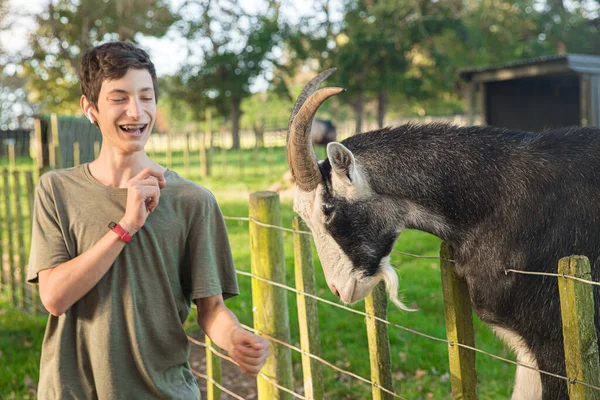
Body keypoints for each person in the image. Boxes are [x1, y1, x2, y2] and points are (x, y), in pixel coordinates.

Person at [27, 41, 270, 399]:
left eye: (146, 96)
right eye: (119, 98)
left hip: (163, 391)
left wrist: (234, 338)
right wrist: (126, 226)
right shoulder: (56, 190)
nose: (136, 112)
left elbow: (212, 309)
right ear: (89, 107)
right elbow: (54, 297)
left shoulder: (193, 201)